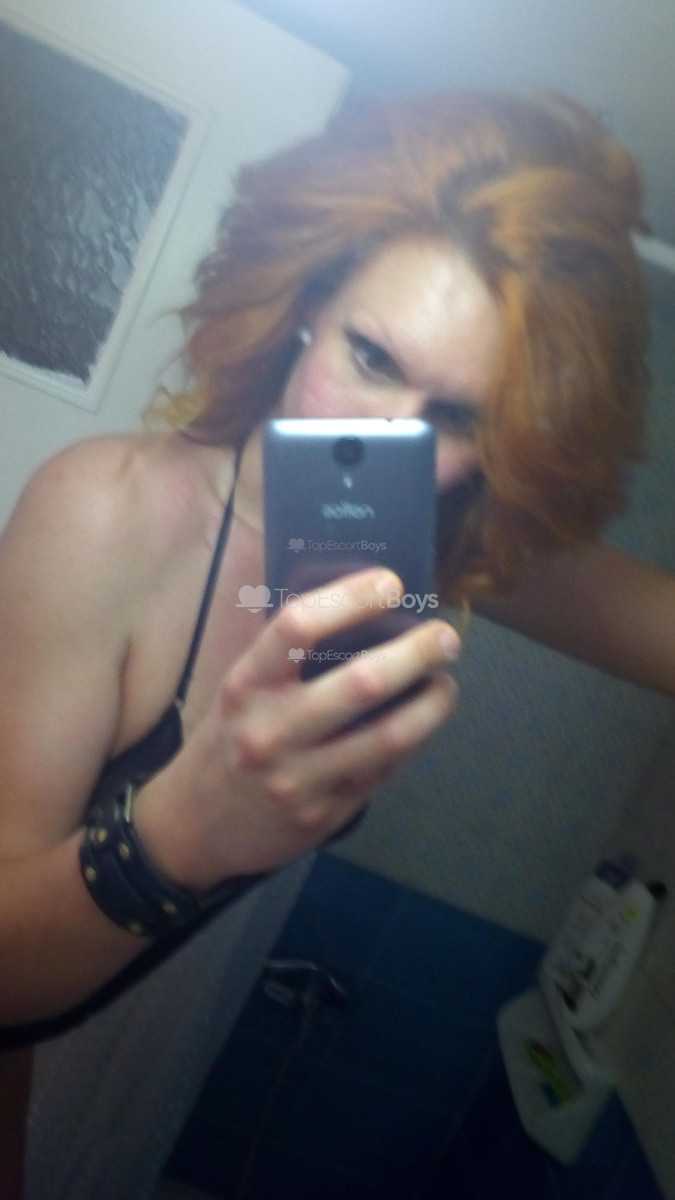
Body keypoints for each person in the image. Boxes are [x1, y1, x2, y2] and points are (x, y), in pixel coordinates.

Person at [1, 88, 674, 1191]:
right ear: (310, 299)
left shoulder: (424, 542)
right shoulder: (107, 516)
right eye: (371, 355)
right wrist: (183, 829)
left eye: (458, 417)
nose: (388, 436)